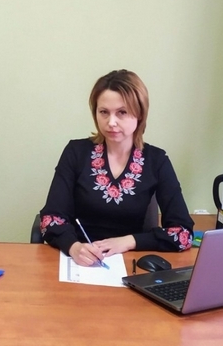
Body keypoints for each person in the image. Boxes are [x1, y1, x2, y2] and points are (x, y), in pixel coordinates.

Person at [39, 69, 194, 267]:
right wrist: (74, 247)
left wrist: (128, 241)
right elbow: (50, 219)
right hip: (79, 261)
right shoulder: (76, 152)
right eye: (104, 112)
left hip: (130, 263)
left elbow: (183, 233)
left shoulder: (157, 161)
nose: (111, 122)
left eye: (122, 112)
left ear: (139, 114)